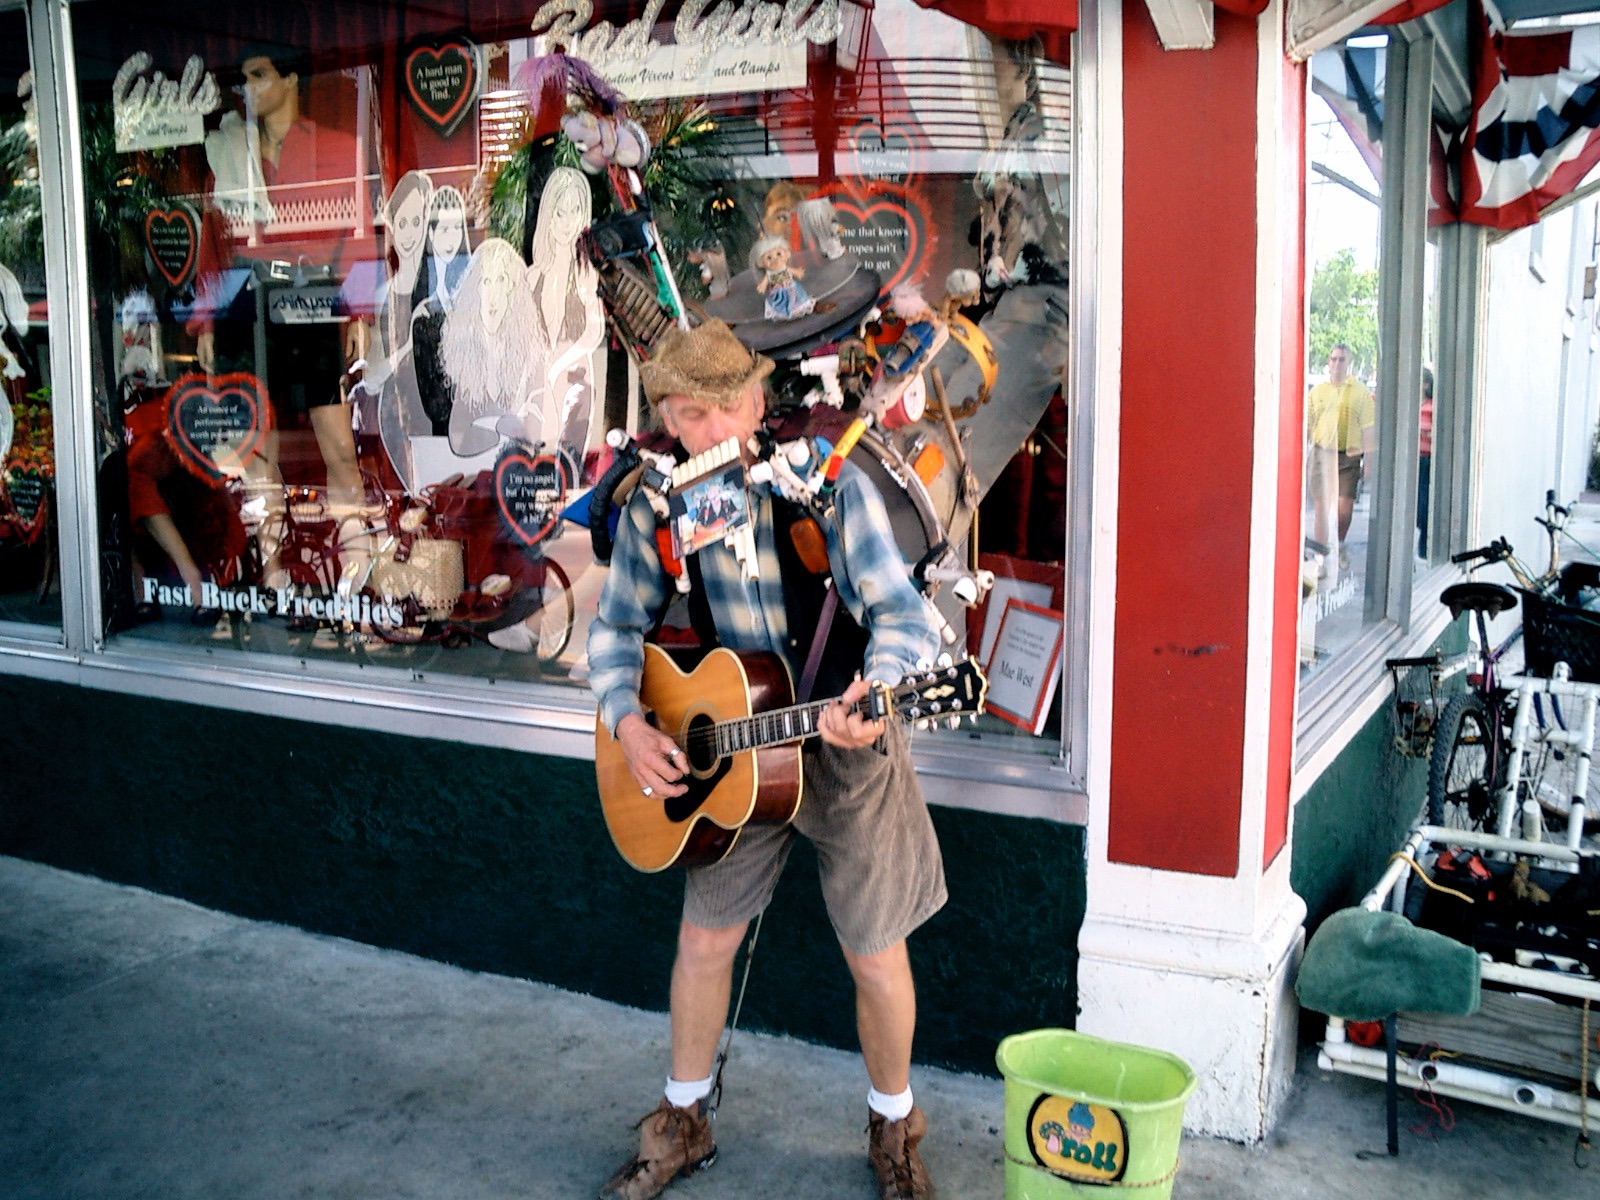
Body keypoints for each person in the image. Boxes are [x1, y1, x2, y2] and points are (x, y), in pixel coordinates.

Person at [586, 320, 946, 1200]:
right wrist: (629, 723)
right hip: (735, 748)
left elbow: (901, 619)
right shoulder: (655, 504)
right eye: (685, 416)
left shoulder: (827, 488)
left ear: (754, 403)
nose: (704, 433)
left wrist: (878, 690)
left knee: (873, 950)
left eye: (720, 411)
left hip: (840, 739)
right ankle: (682, 1120)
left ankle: (894, 1126)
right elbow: (615, 629)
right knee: (705, 940)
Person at [1306, 343, 1375, 572]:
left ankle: (1340, 542)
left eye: (1341, 359)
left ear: (1349, 363)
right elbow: (1308, 425)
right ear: (1328, 362)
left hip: (1349, 456)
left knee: (1344, 507)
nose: (1337, 363)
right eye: (1334, 359)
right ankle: (1320, 556)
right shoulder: (1317, 392)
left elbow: (1368, 428)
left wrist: (1369, 462)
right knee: (1322, 507)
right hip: (1322, 453)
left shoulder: (1359, 392)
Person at [1417, 367, 1434, 559]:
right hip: (1412, 460)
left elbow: (1436, 431)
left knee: (1423, 507)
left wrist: (1425, 433)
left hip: (1425, 460)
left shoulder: (1431, 406)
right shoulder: (1412, 405)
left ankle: (1424, 549)